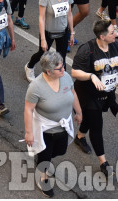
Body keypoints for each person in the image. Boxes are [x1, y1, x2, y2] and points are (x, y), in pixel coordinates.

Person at [71, 20, 118, 177]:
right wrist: (91, 76)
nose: (116, 34)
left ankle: (79, 136)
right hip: (87, 95)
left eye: (115, 30)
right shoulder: (87, 50)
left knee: (91, 119)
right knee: (97, 125)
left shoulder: (116, 47)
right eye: (112, 32)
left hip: (106, 94)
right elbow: (74, 72)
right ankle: (103, 163)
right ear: (102, 36)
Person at [24, 51, 82, 198]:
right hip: (45, 130)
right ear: (48, 72)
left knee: (61, 151)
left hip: (62, 127)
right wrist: (29, 132)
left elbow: (73, 93)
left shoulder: (66, 77)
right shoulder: (36, 87)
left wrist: (79, 112)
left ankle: (44, 158)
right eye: (60, 68)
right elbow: (28, 109)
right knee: (45, 157)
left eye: (63, 66)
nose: (63, 70)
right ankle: (43, 177)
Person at [24, 0, 74, 82]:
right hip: (48, 32)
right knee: (42, 54)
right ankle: (29, 66)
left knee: (62, 57)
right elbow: (41, 18)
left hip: (63, 31)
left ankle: (60, 80)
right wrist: (43, 39)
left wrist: (72, 32)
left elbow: (69, 14)